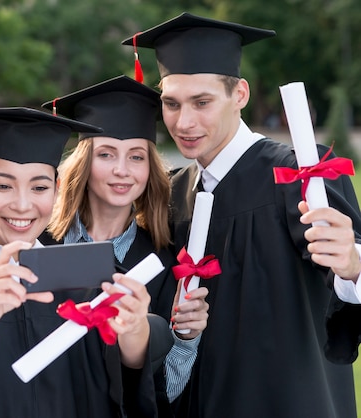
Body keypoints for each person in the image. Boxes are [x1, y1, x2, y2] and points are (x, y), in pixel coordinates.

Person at [121, 12, 361, 418]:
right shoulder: (171, 195)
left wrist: (353, 267)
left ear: (240, 95)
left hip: (289, 403)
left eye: (202, 102)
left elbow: (345, 289)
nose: (185, 122)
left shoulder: (300, 172)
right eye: (171, 103)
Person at [0, 106, 174, 418]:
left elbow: (138, 362)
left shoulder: (90, 276)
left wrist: (135, 328)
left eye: (39, 187)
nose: (23, 204)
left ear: (56, 191)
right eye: (3, 185)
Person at [39, 75, 209, 413]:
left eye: (136, 156)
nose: (122, 170)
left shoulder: (163, 263)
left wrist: (187, 338)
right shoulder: (41, 247)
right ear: (84, 161)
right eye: (106, 154)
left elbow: (167, 392)